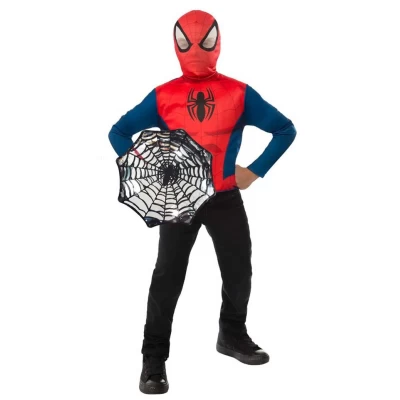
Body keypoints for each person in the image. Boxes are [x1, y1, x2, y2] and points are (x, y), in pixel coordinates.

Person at [108, 9, 297, 395]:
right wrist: (150, 166)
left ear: (217, 41)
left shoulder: (239, 93)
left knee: (238, 270)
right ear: (176, 44)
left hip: (225, 196)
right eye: (187, 41)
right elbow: (118, 132)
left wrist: (254, 171)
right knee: (167, 276)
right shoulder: (163, 95)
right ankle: (153, 357)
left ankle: (232, 335)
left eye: (204, 40)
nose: (195, 48)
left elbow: (284, 129)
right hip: (179, 200)